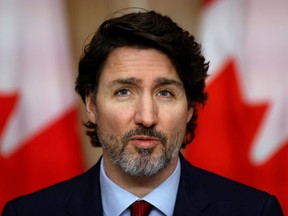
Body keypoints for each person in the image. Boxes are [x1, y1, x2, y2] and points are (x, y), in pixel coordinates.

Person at [2, 10, 283, 216]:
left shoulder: (255, 211)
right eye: (124, 91)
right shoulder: (27, 213)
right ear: (91, 105)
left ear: (189, 108)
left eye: (165, 93)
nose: (146, 117)